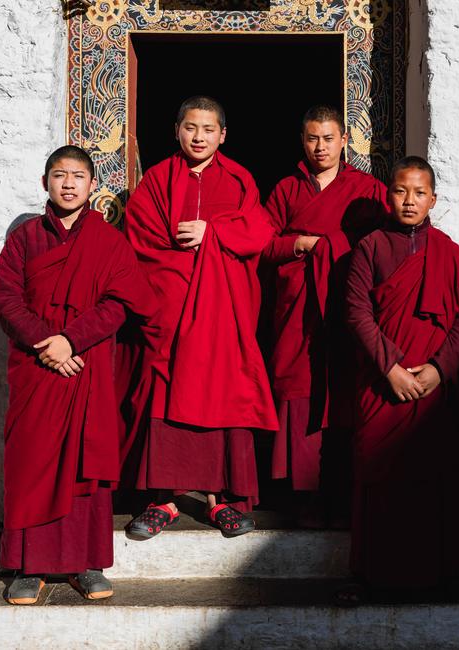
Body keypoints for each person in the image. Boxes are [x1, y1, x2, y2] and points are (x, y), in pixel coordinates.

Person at [0, 145, 155, 605]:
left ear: (92, 185)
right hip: (36, 367)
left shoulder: (109, 241)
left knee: (88, 462)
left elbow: (123, 302)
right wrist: (48, 343)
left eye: (78, 176)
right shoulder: (24, 239)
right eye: (59, 175)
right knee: (30, 460)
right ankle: (29, 566)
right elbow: (7, 300)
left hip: (86, 365)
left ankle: (87, 564)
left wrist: (72, 340)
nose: (68, 183)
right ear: (46, 182)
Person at [337, 156, 459, 604]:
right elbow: (356, 312)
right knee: (378, 475)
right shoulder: (370, 247)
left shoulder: (448, 251)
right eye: (400, 191)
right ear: (388, 196)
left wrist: (439, 369)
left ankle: (448, 573)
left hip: (433, 386)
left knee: (439, 479)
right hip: (382, 384)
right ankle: (369, 574)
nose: (408, 201)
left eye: (418, 193)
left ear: (433, 199)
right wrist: (389, 367)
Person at [120, 96, 278, 538]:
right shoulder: (156, 180)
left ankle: (219, 500)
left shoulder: (239, 179)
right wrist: (177, 286)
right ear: (177, 130)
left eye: (208, 129)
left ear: (222, 135)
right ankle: (164, 499)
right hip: (171, 311)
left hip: (222, 314)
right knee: (165, 398)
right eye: (191, 128)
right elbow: (140, 240)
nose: (199, 137)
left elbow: (259, 233)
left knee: (222, 396)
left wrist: (214, 234)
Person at [261, 105, 388, 526]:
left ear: (344, 141)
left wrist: (329, 246)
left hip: (347, 303)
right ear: (303, 141)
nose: (321, 147)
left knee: (346, 387)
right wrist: (301, 245)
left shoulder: (367, 188)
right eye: (313, 138)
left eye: (329, 138)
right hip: (298, 305)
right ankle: (300, 493)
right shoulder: (286, 189)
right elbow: (264, 245)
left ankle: (344, 488)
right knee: (298, 386)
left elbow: (380, 244)